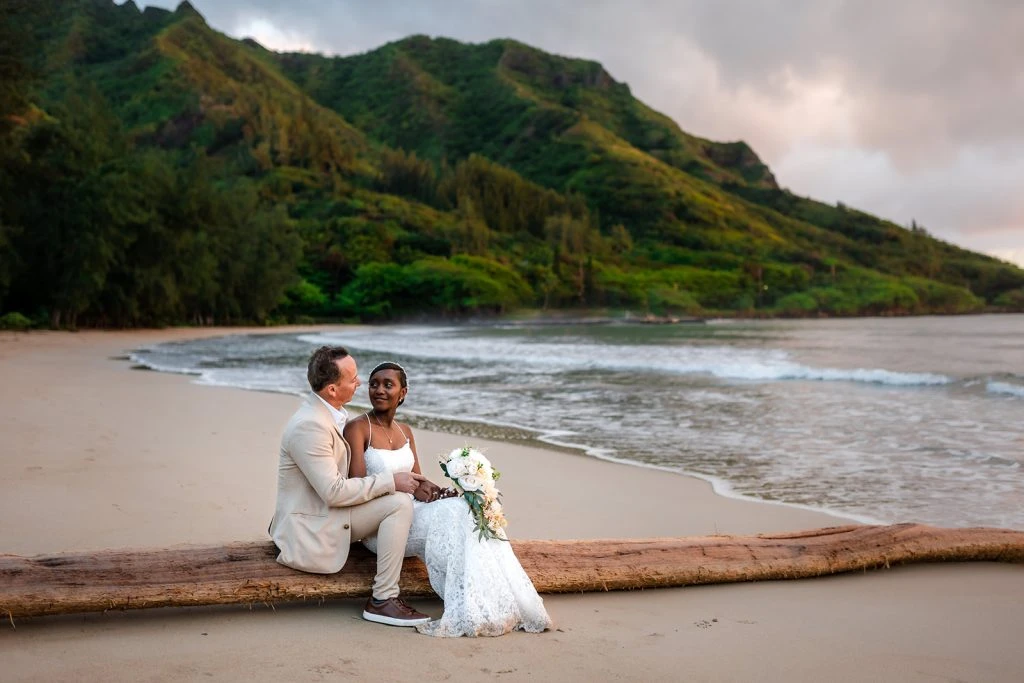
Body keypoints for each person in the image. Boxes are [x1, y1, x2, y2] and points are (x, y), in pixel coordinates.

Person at [344, 361, 553, 637]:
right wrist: (403, 488)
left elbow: (417, 481)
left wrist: (448, 490)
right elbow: (358, 488)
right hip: (381, 523)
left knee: (463, 507)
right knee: (450, 515)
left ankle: (482, 598)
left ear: (403, 392)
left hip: (411, 509)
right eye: (373, 384)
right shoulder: (358, 428)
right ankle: (457, 599)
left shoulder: (405, 431)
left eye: (388, 384)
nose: (379, 390)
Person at [269, 345, 431, 627]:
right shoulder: (309, 426)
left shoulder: (330, 415)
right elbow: (333, 492)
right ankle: (383, 599)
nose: (359, 383)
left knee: (402, 503)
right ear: (332, 389)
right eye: (353, 378)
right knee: (398, 503)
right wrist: (392, 481)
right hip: (312, 527)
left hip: (331, 512)